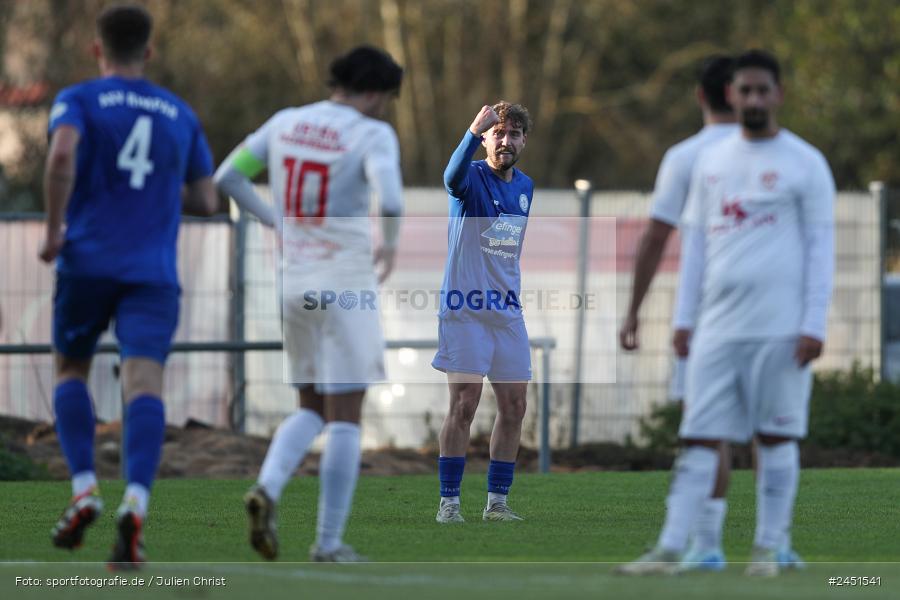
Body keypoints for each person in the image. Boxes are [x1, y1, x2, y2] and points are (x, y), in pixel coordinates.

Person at [617, 49, 835, 576]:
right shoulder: (710, 163)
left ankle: (769, 548)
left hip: (780, 330)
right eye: (746, 91)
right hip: (716, 329)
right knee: (696, 436)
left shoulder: (805, 162)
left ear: (778, 95)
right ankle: (671, 547)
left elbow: (820, 247)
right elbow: (695, 249)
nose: (755, 99)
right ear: (732, 96)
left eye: (764, 90)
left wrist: (813, 324)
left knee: (776, 436)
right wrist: (684, 320)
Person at [42, 3, 217, 569]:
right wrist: (163, 193)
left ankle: (86, 488)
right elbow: (207, 200)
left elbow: (62, 153)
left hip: (87, 260)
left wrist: (52, 231)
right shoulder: (178, 112)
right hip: (152, 271)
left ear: (98, 49)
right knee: (144, 384)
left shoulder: (80, 99)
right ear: (149, 50)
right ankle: (135, 501)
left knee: (70, 368)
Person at [214, 45, 403, 562]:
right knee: (346, 413)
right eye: (385, 99)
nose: (384, 109)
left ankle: (269, 489)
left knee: (310, 406)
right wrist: (390, 240)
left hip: (293, 282)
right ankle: (328, 541)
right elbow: (389, 199)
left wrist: (275, 220)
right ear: (371, 93)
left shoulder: (285, 123)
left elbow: (227, 177)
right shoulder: (370, 133)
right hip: (345, 281)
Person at [619, 55, 739, 570]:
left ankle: (697, 545)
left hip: (709, 315)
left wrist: (633, 312)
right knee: (765, 433)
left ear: (699, 96)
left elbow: (654, 237)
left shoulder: (688, 156)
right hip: (768, 314)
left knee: (700, 427)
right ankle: (725, 544)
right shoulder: (786, 155)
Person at [432, 102, 534, 524]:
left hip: (507, 313)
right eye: (498, 134)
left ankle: (497, 503)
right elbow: (450, 178)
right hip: (466, 309)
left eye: (513, 135)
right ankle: (449, 503)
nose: (505, 141)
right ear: (487, 138)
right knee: (464, 404)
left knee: (514, 406)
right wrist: (472, 130)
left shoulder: (526, 186)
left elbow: (504, 249)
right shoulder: (470, 177)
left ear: (523, 140)